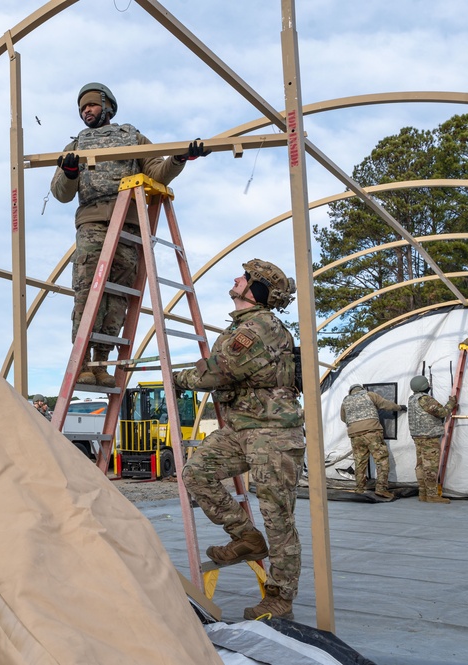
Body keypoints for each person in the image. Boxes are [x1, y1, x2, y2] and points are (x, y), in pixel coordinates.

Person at [51, 82, 209, 388]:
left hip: (129, 224)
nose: (87, 111)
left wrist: (179, 159)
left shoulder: (132, 138)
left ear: (108, 107)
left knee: (117, 296)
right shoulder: (75, 147)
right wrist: (70, 173)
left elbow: (157, 171)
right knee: (88, 290)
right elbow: (60, 193)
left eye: (92, 105)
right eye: (83, 107)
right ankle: (83, 361)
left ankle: (101, 362)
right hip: (94, 222)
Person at [173, 259, 304, 621]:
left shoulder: (259, 328)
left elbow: (217, 373)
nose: (236, 279)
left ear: (254, 290)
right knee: (196, 472)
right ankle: (245, 536)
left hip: (273, 432)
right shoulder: (244, 327)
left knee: (278, 517)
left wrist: (177, 377)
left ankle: (280, 596)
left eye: (244, 277)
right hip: (242, 428)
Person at [340, 384, 405, 500]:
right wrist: (399, 407)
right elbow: (386, 405)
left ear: (351, 391)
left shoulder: (346, 400)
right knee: (381, 460)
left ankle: (360, 488)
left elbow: (343, 418)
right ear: (362, 389)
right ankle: (381, 489)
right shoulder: (369, 395)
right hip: (372, 432)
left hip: (355, 435)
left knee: (359, 462)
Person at [407, 375, 457, 504]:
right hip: (429, 437)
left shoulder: (412, 399)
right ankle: (432, 495)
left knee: (420, 465)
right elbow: (442, 412)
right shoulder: (425, 399)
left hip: (417, 436)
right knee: (431, 467)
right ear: (425, 386)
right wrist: (452, 403)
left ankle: (422, 493)